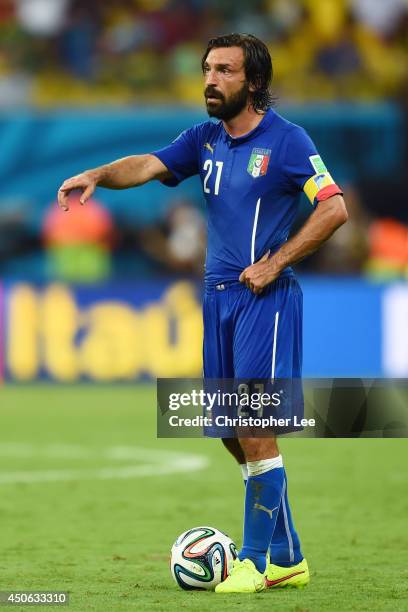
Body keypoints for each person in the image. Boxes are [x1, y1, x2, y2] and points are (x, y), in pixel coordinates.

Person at [58, 33, 347, 594]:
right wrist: (97, 174)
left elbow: (334, 207)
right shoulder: (204, 139)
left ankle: (256, 562)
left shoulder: (288, 142)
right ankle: (287, 554)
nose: (211, 80)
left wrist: (276, 262)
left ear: (254, 82)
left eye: (225, 71)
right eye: (208, 69)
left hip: (264, 298)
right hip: (217, 299)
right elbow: (146, 163)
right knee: (228, 432)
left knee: (254, 425)